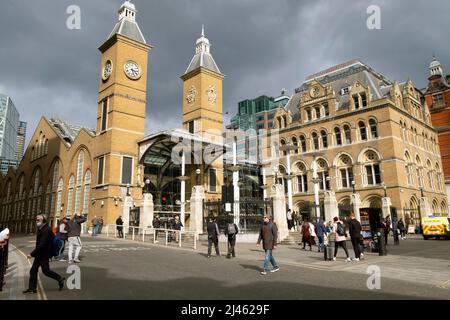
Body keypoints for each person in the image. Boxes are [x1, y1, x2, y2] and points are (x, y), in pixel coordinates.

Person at [23, 214, 65, 294]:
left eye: (38, 220)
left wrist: (31, 254)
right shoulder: (41, 228)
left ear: (44, 220)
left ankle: (60, 278)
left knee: (45, 271)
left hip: (44, 254)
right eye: (36, 220)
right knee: (33, 270)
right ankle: (32, 288)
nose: (36, 221)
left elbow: (42, 244)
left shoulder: (46, 230)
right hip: (40, 254)